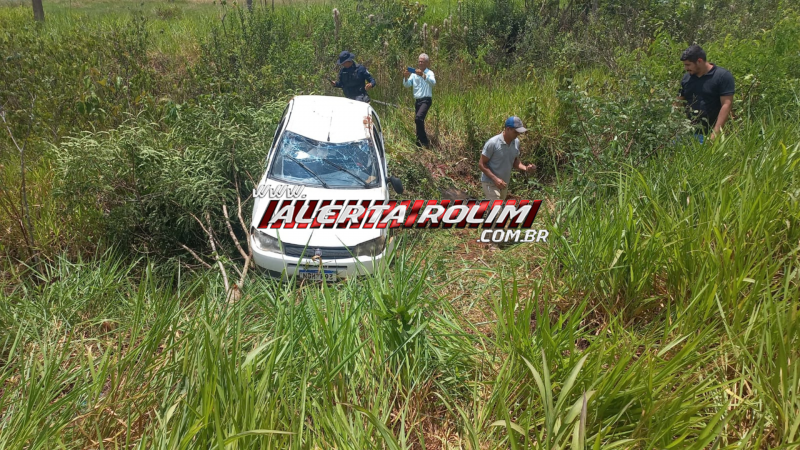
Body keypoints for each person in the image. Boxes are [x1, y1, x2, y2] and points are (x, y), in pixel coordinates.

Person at [678, 44, 735, 141]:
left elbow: (726, 105)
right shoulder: (686, 78)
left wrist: (716, 133)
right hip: (687, 133)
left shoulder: (722, 76)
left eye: (688, 65)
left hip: (710, 133)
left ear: (699, 61)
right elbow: (678, 102)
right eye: (684, 65)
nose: (686, 68)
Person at [479, 117, 536, 201]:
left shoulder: (516, 142)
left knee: (498, 211)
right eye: (516, 132)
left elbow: (514, 161)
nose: (518, 134)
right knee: (497, 210)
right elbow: (481, 164)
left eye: (519, 132)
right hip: (490, 182)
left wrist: (526, 168)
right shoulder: (493, 143)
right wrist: (495, 179)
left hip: (503, 184)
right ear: (508, 129)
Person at [402, 53, 436, 148]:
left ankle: (425, 142)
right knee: (418, 121)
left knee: (418, 118)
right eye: (419, 61)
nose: (420, 63)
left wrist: (423, 75)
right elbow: (407, 85)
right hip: (418, 101)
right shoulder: (414, 74)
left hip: (426, 100)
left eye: (422, 61)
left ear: (426, 63)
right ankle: (419, 143)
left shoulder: (430, 73)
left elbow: (433, 83)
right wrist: (405, 77)